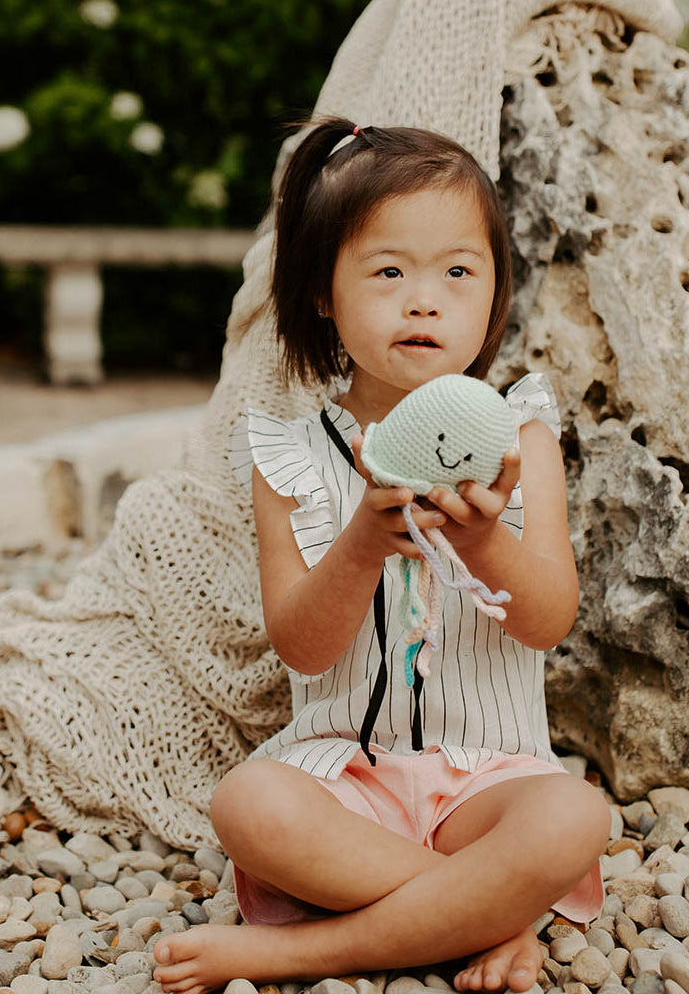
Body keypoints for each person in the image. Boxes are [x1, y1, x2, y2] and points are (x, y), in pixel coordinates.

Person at [152, 117, 610, 994]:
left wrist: (482, 540)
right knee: (246, 803)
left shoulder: (523, 439)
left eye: (457, 273)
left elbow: (549, 620)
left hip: (493, 781)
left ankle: (308, 952)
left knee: (572, 817)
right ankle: (486, 919)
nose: (424, 299)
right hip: (343, 781)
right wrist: (361, 542)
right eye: (389, 272)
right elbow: (302, 646)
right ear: (324, 293)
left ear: (494, 294)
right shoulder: (290, 452)